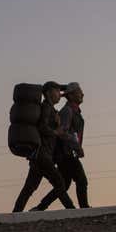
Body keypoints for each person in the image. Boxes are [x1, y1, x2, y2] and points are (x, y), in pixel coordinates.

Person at [15, 82, 75, 211]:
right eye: (57, 91)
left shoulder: (51, 109)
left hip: (40, 155)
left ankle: (16, 213)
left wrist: (57, 126)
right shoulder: (46, 107)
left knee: (29, 187)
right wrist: (55, 132)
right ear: (48, 93)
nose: (60, 94)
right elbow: (42, 127)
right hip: (43, 155)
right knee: (60, 182)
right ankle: (71, 210)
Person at [37, 82, 89, 209]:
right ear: (70, 96)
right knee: (81, 180)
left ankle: (40, 207)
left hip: (67, 154)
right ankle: (84, 209)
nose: (82, 94)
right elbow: (62, 133)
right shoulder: (67, 111)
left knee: (63, 185)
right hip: (66, 154)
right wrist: (77, 147)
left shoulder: (75, 111)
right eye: (79, 92)